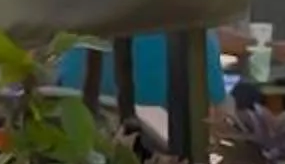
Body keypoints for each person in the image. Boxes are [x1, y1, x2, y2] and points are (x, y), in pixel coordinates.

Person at [53, 28, 238, 110]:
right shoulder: (190, 27)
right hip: (168, 152)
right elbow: (216, 108)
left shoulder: (78, 20)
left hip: (82, 144)